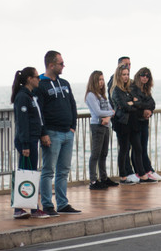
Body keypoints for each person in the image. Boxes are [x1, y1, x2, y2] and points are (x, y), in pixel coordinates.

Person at [35, 51, 81, 216]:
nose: (63, 66)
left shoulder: (65, 83)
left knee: (64, 170)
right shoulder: (41, 85)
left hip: (67, 132)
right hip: (52, 133)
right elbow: (38, 111)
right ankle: (47, 204)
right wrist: (43, 133)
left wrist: (73, 126)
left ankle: (63, 203)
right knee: (48, 170)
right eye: (61, 63)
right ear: (51, 65)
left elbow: (72, 104)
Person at [11, 67, 50, 219]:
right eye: (36, 77)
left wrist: (42, 133)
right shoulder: (23, 97)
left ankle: (32, 208)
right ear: (29, 79)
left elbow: (38, 118)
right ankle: (20, 208)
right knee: (25, 174)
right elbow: (23, 122)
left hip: (33, 138)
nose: (39, 79)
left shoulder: (31, 96)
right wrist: (25, 144)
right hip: (26, 141)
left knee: (31, 173)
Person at [110, 65, 156, 184]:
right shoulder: (116, 90)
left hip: (133, 123)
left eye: (127, 74)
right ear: (118, 75)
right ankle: (123, 176)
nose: (126, 77)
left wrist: (134, 104)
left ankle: (142, 174)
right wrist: (133, 104)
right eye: (123, 74)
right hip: (123, 123)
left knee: (138, 148)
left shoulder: (128, 89)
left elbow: (138, 103)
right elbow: (125, 106)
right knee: (124, 149)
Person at [85, 71, 118, 190]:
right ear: (93, 81)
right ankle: (93, 180)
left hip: (105, 125)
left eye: (102, 79)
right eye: (99, 80)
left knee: (104, 153)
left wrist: (108, 116)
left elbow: (110, 108)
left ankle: (104, 177)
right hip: (97, 125)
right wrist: (111, 113)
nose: (101, 82)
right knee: (95, 154)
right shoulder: (91, 95)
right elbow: (98, 112)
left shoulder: (102, 94)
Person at [131, 67, 161, 181]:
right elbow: (135, 104)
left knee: (143, 147)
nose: (145, 77)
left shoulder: (146, 90)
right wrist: (143, 109)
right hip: (136, 121)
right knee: (138, 149)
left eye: (147, 76)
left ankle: (146, 170)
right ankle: (142, 172)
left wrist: (148, 111)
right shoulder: (133, 88)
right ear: (138, 75)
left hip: (144, 121)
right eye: (142, 75)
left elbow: (152, 103)